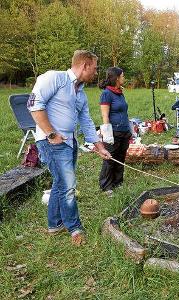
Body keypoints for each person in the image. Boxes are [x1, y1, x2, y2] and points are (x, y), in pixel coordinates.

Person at [28, 50, 111, 246]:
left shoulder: (80, 92)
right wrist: (51, 134)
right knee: (68, 186)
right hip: (51, 142)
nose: (96, 73)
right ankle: (74, 228)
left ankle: (55, 224)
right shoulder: (54, 78)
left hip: (69, 142)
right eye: (95, 68)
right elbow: (33, 105)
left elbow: (86, 121)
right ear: (85, 65)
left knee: (61, 183)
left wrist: (99, 146)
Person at [98, 67, 132, 195]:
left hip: (124, 131)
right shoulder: (106, 93)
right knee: (110, 159)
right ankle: (106, 186)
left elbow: (124, 112)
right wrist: (107, 134)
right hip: (114, 132)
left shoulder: (120, 92)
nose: (124, 78)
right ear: (117, 78)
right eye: (122, 76)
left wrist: (130, 128)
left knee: (120, 158)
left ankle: (118, 182)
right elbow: (105, 115)